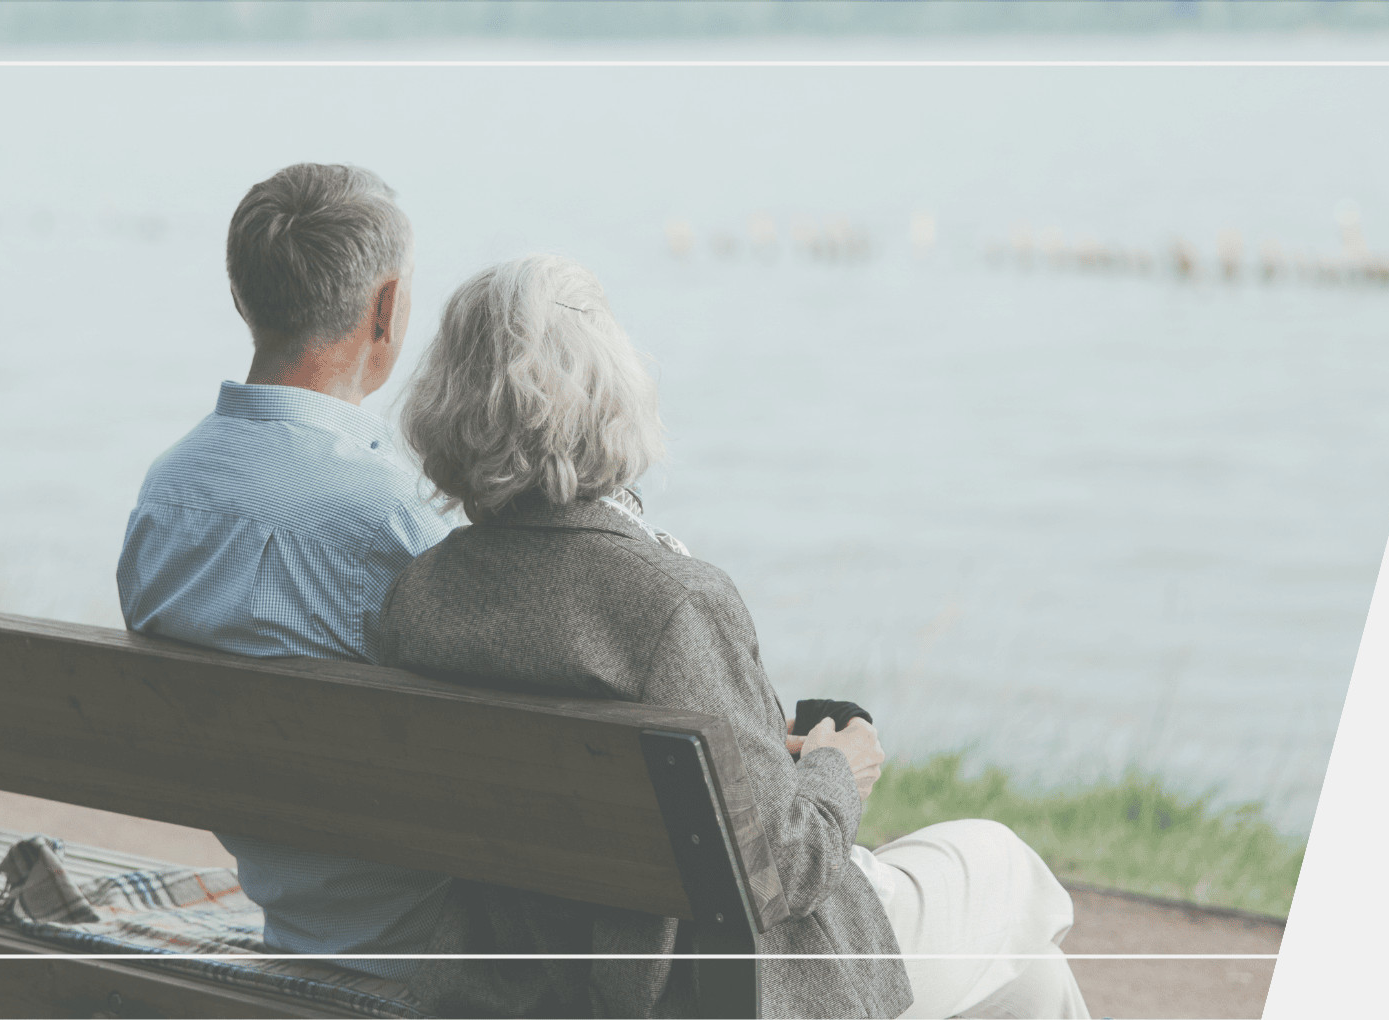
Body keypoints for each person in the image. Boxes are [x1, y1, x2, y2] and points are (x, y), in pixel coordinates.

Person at [374, 253, 1090, 1019]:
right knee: (1006, 869)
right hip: (697, 985)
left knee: (1034, 979)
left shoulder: (420, 595)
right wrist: (835, 770)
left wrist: (749, 742)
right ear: (615, 402)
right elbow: (781, 866)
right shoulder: (673, 604)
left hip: (518, 978)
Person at [114, 162, 451, 985]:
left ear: (243, 299)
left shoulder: (168, 495)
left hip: (284, 901)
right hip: (430, 936)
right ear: (387, 308)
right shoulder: (393, 518)